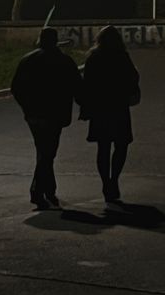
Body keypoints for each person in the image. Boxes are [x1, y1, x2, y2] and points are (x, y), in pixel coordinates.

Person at [11, 27, 81, 210]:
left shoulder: (28, 61)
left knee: (43, 150)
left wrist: (27, 107)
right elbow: (77, 87)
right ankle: (39, 190)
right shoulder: (65, 61)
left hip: (34, 115)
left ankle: (48, 189)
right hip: (55, 114)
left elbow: (16, 88)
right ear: (55, 40)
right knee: (48, 152)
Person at [79, 25, 140, 204]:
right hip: (118, 106)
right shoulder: (122, 56)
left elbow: (87, 83)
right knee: (121, 145)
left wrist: (85, 105)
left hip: (100, 107)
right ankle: (114, 180)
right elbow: (133, 78)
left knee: (103, 147)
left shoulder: (94, 58)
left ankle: (106, 182)